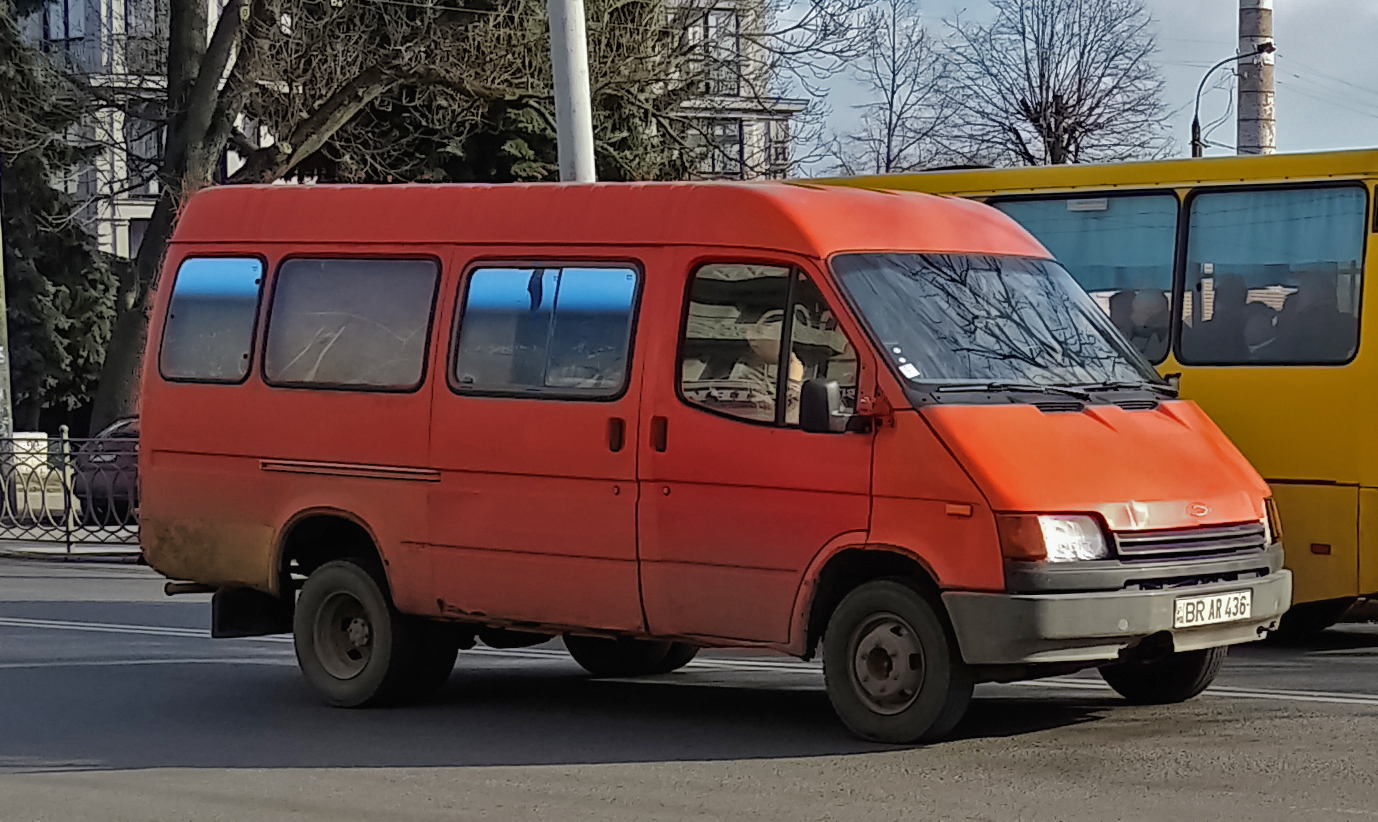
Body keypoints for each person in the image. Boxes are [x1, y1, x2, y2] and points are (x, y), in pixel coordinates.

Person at [1273, 271, 1358, 362]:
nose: (1297, 299)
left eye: (1301, 293)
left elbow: (1278, 352)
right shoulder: (1349, 323)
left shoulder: (1299, 326)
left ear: (1313, 295)